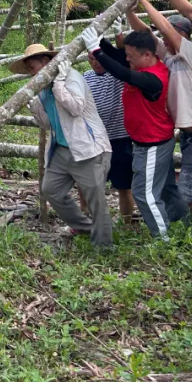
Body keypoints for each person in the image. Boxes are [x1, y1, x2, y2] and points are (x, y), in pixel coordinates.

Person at [82, 26, 188, 240]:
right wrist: (101, 42)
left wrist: (97, 51)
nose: (127, 59)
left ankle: (163, 238)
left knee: (143, 193)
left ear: (147, 54)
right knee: (165, 188)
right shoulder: (143, 65)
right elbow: (120, 59)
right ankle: (183, 224)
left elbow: (121, 71)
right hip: (148, 140)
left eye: (131, 56)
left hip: (152, 143)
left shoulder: (153, 78)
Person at [130, 0, 192, 233]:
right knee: (187, 185)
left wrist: (146, 0)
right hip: (184, 133)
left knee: (190, 187)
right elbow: (147, 35)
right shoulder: (168, 55)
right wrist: (129, 12)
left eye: (168, 35)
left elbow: (164, 29)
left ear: (183, 35)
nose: (162, 39)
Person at [12, 45, 113, 248]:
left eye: (33, 67)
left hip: (87, 147)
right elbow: (48, 123)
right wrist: (34, 105)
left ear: (46, 62)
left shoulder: (70, 77)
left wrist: (59, 84)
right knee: (51, 189)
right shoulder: (44, 89)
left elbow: (76, 108)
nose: (32, 72)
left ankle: (104, 245)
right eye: (30, 69)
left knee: (96, 199)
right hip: (62, 148)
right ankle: (83, 226)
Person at [82, 45, 136, 224]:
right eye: (91, 59)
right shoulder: (85, 78)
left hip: (120, 138)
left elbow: (122, 58)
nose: (95, 63)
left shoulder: (117, 75)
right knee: (88, 183)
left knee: (124, 185)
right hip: (95, 140)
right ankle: (88, 219)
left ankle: (126, 222)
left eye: (98, 58)